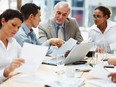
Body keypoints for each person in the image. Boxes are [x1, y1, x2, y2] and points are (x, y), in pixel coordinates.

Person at [0, 9, 24, 83]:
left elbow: (25, 57)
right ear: (3, 21)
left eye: (18, 27)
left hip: (12, 81)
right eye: (13, 25)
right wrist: (6, 71)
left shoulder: (13, 42)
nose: (16, 30)